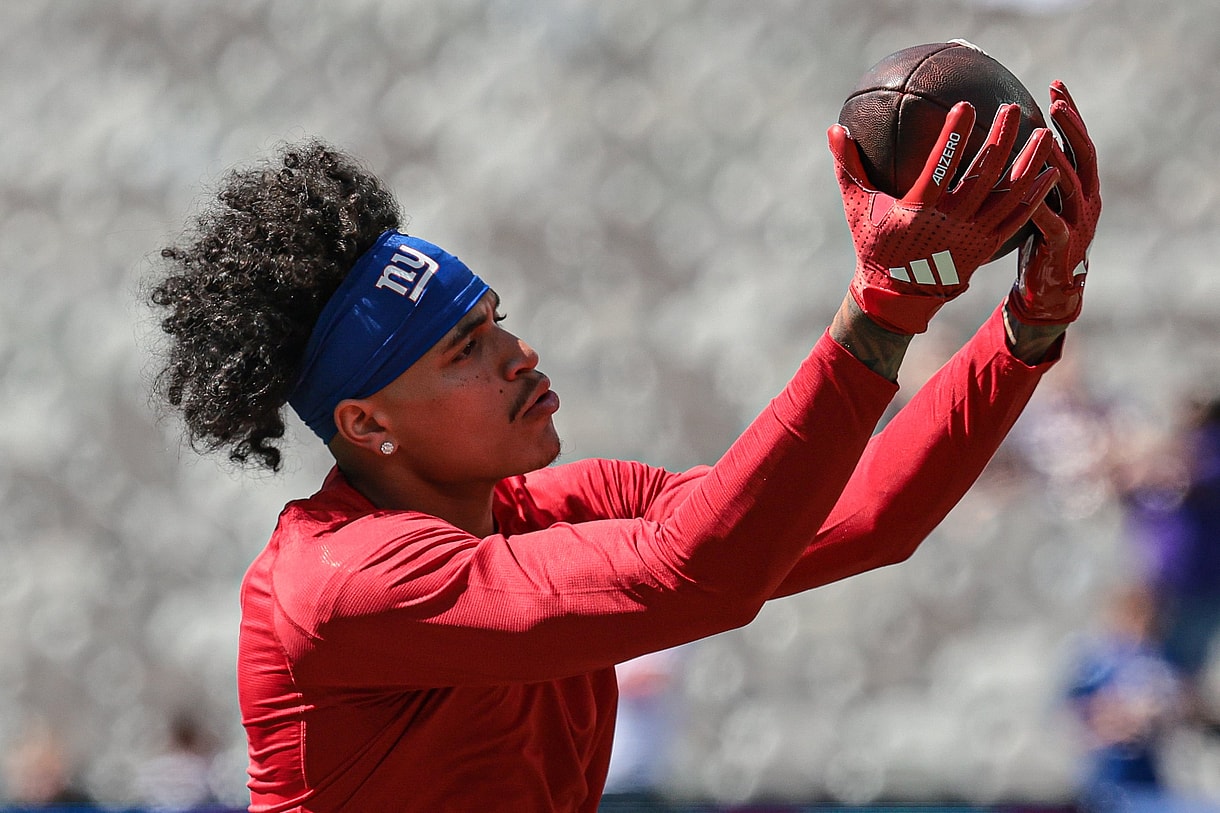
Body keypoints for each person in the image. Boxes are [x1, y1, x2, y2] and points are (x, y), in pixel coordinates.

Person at [146, 83, 1099, 811]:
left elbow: (860, 516)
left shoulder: (559, 509)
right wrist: (883, 305)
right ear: (365, 423)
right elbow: (704, 571)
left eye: (498, 320)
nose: (518, 353)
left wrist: (1026, 330)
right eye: (463, 350)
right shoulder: (344, 585)